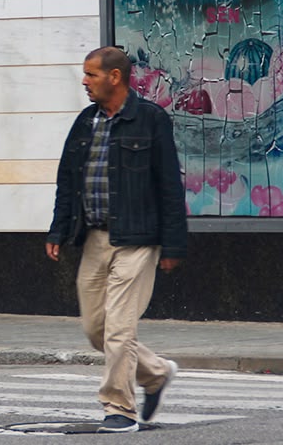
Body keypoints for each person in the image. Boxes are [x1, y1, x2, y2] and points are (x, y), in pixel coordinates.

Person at [45, 46, 187, 433]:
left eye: (91, 74)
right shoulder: (85, 122)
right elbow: (68, 180)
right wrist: (58, 229)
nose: (84, 81)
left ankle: (119, 408)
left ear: (115, 77)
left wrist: (173, 244)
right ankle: (156, 373)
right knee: (97, 329)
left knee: (120, 329)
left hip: (138, 238)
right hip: (94, 237)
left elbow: (170, 185)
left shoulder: (151, 119)